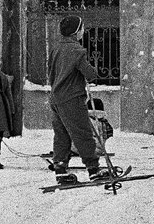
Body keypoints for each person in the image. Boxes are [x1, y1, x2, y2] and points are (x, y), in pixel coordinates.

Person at [47, 14, 113, 181]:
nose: (83, 32)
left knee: (61, 134)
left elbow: (51, 73)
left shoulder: (55, 48)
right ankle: (93, 169)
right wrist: (91, 73)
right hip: (72, 98)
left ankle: (60, 170)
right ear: (76, 32)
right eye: (82, 28)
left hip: (56, 98)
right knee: (82, 133)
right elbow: (90, 74)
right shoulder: (77, 50)